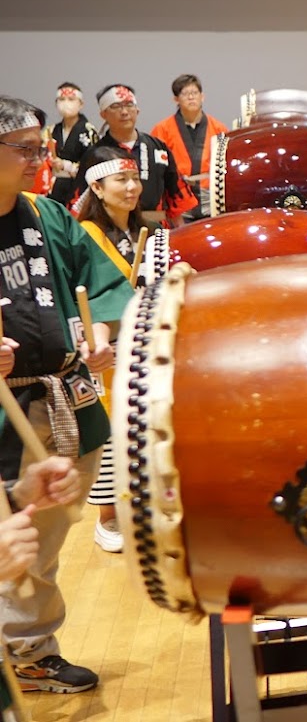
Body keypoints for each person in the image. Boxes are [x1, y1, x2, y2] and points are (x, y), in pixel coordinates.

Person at [0, 95, 131, 694]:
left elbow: (97, 283)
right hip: (9, 412)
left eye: (42, 148)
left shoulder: (47, 214)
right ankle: (28, 650)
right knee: (19, 539)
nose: (40, 160)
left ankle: (26, 647)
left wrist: (99, 336)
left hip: (64, 397)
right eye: (25, 150)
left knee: (41, 539)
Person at [71, 147, 155, 555]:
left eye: (134, 178)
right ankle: (107, 517)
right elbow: (88, 295)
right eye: (121, 180)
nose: (132, 187)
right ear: (98, 188)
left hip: (144, 344)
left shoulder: (145, 230)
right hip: (104, 347)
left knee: (144, 428)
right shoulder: (85, 234)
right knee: (108, 432)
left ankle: (144, 507)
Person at [82, 85, 194, 226]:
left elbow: (176, 194)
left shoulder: (158, 147)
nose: (124, 112)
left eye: (129, 105)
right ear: (103, 114)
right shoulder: (95, 154)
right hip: (111, 229)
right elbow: (81, 203)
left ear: (137, 110)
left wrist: (181, 230)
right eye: (116, 106)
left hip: (156, 228)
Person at [148, 73, 228, 190]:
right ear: (176, 99)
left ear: (202, 96)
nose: (191, 97)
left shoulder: (219, 128)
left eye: (195, 93)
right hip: (177, 192)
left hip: (211, 191)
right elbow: (156, 168)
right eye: (185, 94)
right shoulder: (162, 129)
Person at [43, 84, 96, 207]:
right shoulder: (50, 131)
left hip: (78, 189)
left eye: (71, 99)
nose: (66, 103)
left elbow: (92, 164)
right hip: (53, 188)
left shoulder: (89, 131)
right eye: (61, 99)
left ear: (81, 104)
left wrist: (66, 166)